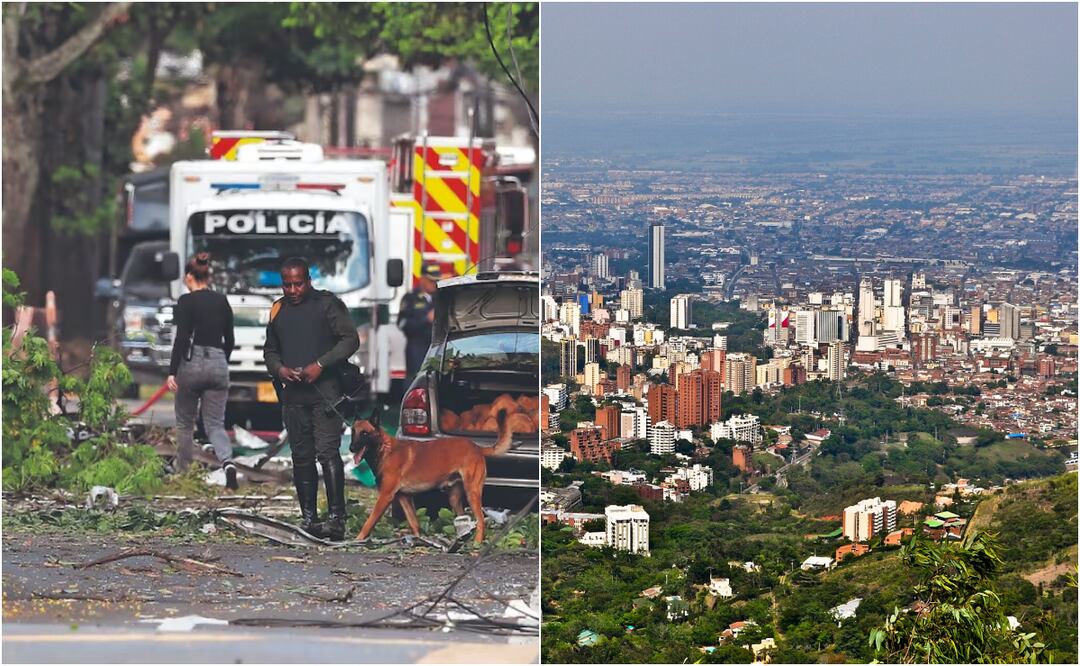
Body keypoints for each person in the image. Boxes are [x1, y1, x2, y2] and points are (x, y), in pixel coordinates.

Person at [263, 257, 359, 540]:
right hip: (293, 396)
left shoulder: (327, 305)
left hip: (326, 394)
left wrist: (321, 364)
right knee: (300, 457)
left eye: (298, 284)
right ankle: (309, 518)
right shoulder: (277, 309)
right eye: (287, 285)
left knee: (328, 453)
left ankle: (337, 519)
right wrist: (280, 369)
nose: (293, 290)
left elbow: (350, 339)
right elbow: (269, 351)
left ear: (308, 280)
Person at [167, 253, 237, 489]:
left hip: (192, 362)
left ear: (189, 277)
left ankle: (183, 473)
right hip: (218, 362)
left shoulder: (186, 302)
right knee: (215, 423)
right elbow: (231, 340)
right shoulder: (222, 301)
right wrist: (220, 362)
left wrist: (172, 371)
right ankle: (228, 462)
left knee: (185, 423)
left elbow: (181, 339)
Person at [398, 263, 440, 381]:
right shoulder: (410, 298)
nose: (434, 284)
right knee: (416, 380)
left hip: (437, 347)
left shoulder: (441, 297)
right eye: (431, 281)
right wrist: (425, 319)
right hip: (417, 347)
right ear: (422, 279)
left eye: (436, 281)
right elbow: (402, 324)